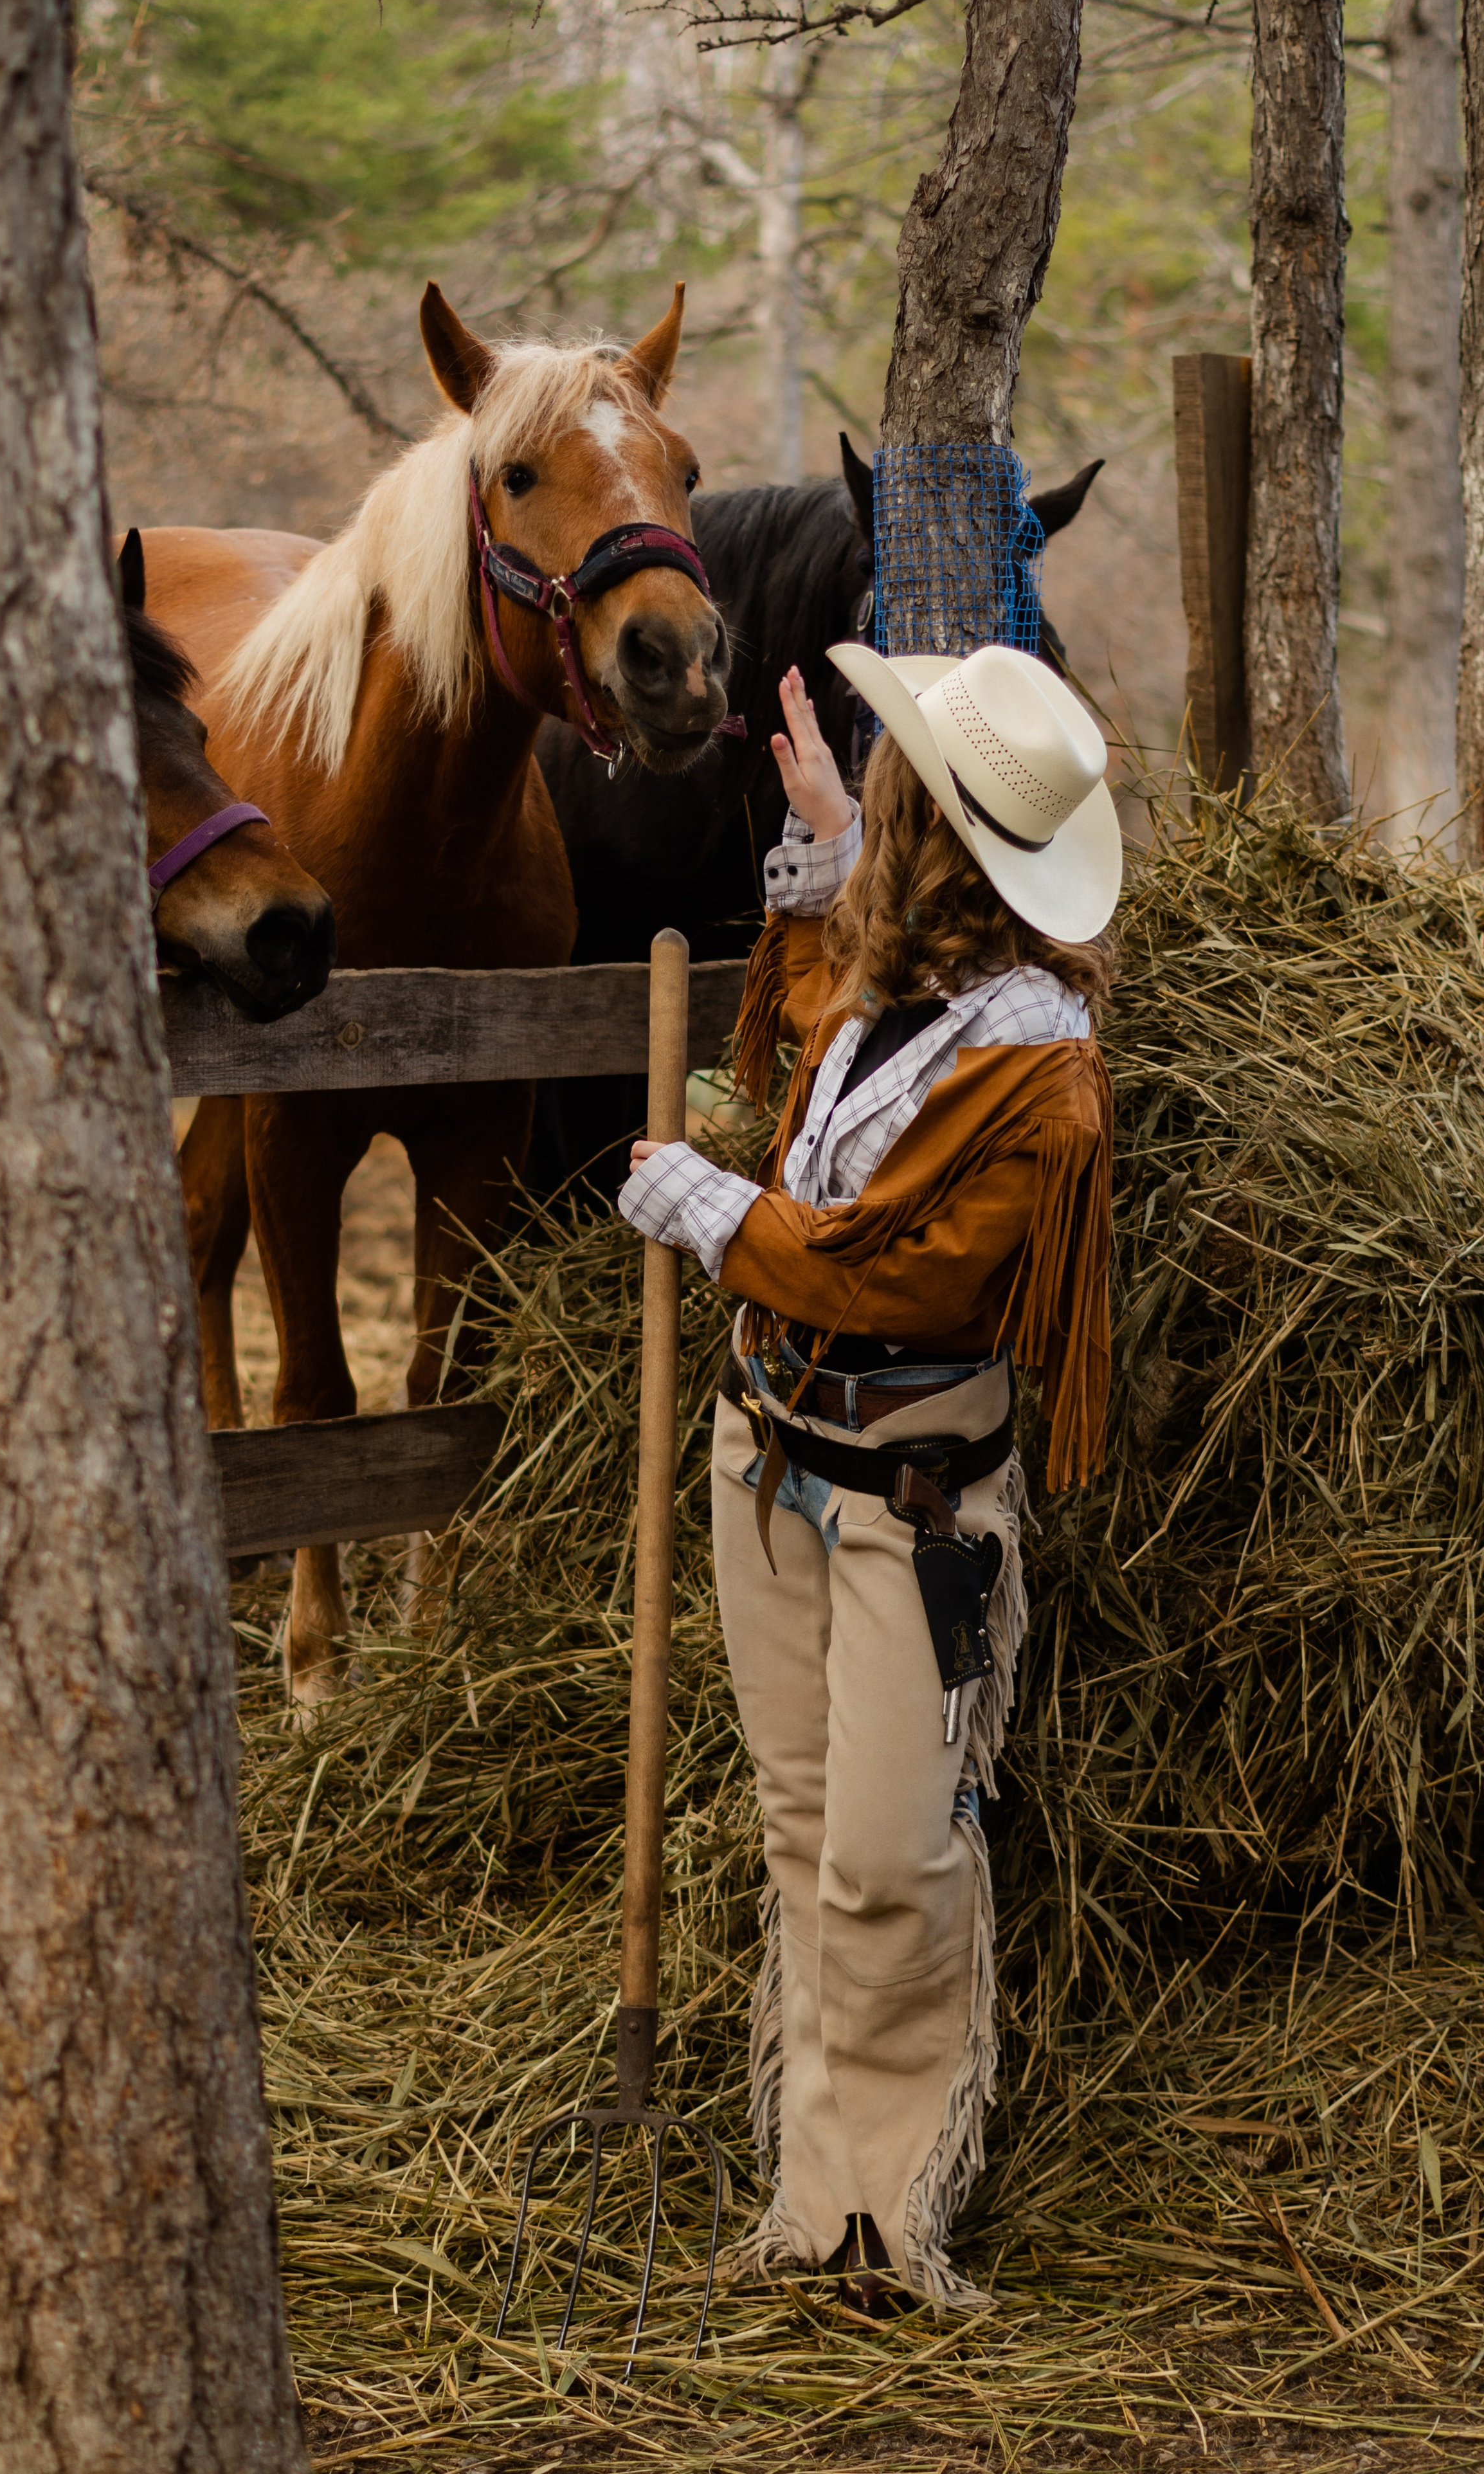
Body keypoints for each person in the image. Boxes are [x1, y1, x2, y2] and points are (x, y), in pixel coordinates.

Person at [619, 639, 1119, 2320]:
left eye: (889, 786)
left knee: (893, 1856)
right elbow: (817, 1025)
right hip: (769, 1458)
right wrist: (825, 848)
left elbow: (901, 1275)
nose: (870, 791)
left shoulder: (1036, 1062)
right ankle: (814, 2205)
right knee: (804, 1830)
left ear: (939, 839)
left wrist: (713, 1211)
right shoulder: (888, 964)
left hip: (915, 1505)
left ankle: (899, 2218)